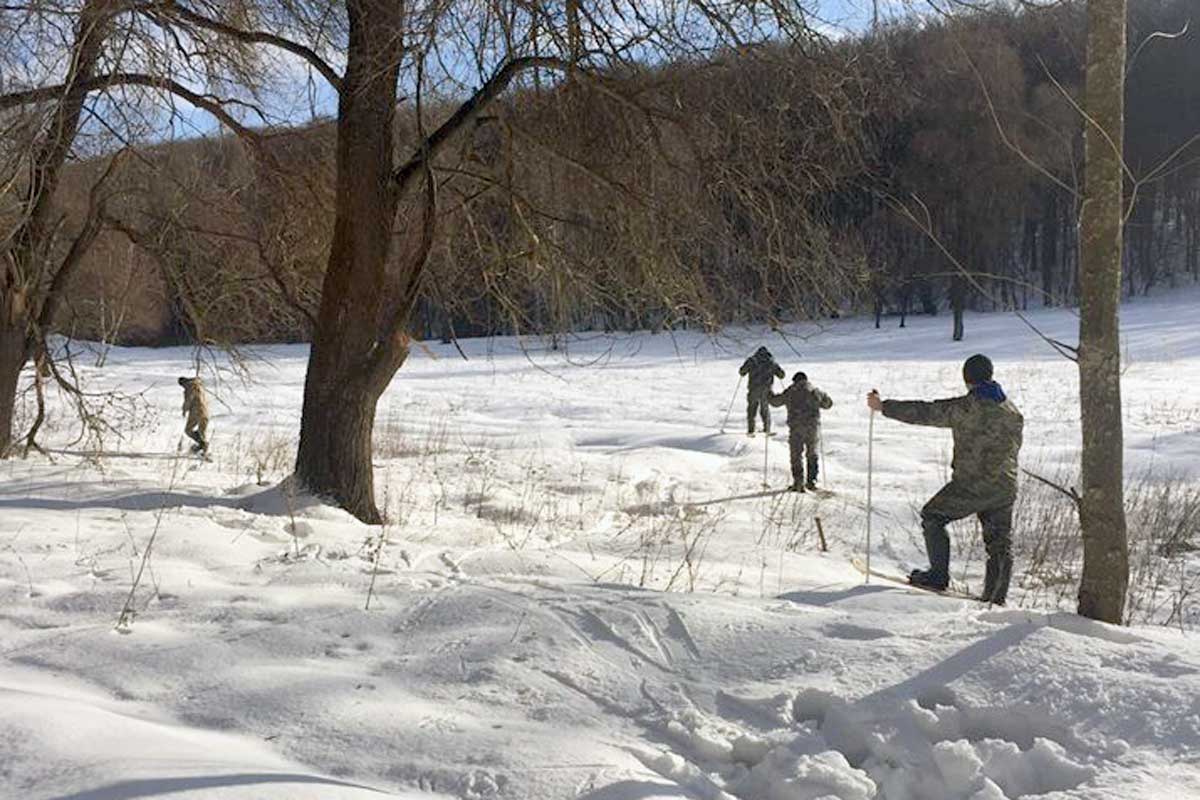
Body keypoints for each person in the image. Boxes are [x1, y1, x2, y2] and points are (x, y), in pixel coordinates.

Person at [866, 354, 1023, 604]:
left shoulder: (966, 408)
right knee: (999, 543)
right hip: (1005, 486)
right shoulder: (1012, 411)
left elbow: (925, 411)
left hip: (972, 485)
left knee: (933, 516)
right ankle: (996, 597)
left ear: (968, 380)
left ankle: (938, 576)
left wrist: (883, 406)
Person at [769, 372, 833, 492]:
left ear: (795, 381)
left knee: (796, 455)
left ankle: (798, 482)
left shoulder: (791, 391)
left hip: (796, 428)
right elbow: (828, 404)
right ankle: (811, 481)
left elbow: (775, 402)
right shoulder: (815, 391)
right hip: (812, 428)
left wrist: (768, 393)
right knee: (812, 453)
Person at [739, 347, 785, 436]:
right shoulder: (771, 362)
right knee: (765, 409)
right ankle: (767, 429)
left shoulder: (752, 361)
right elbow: (781, 375)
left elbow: (742, 372)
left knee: (752, 409)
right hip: (766, 389)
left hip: (753, 388)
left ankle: (751, 430)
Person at [178, 376, 209, 454]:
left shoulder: (190, 388)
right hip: (206, 411)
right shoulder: (199, 386)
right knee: (202, 431)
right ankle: (203, 448)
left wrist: (184, 410)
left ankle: (202, 444)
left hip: (196, 411)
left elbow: (189, 400)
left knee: (188, 430)